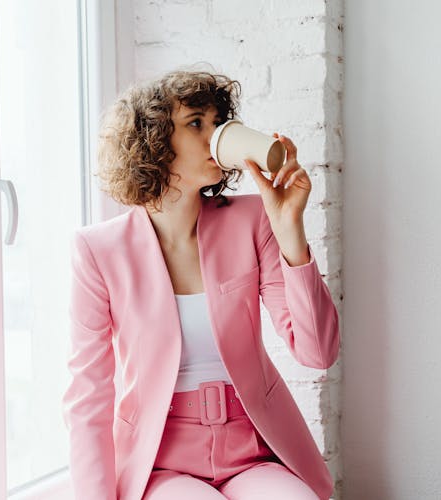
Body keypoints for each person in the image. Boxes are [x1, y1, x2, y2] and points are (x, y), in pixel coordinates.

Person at [62, 67, 340, 500]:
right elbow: (88, 395)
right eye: (196, 123)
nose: (215, 137)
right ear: (153, 141)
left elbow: (318, 353)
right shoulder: (99, 251)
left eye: (218, 123)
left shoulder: (252, 221)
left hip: (252, 451)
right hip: (161, 461)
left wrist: (290, 232)